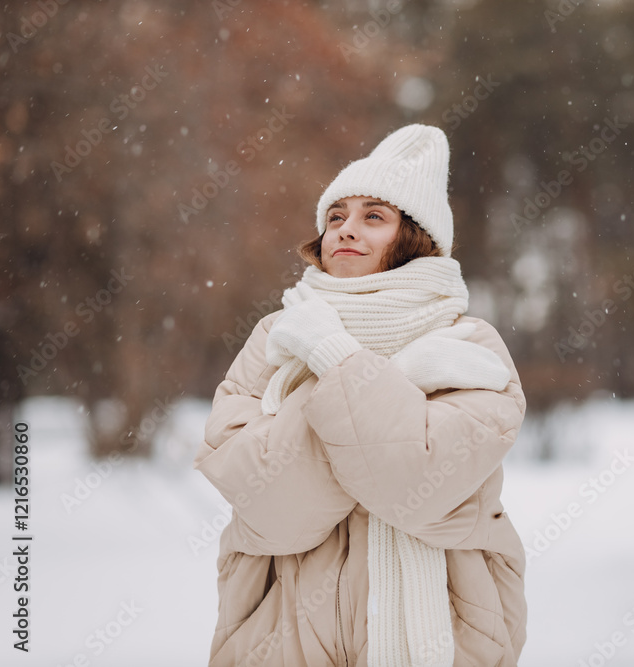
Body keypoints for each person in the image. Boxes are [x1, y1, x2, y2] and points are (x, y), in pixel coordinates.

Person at [193, 124, 527, 666]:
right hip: (281, 635)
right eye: (335, 216)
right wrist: (394, 383)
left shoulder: (471, 344)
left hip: (446, 633)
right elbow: (271, 506)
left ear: (415, 238)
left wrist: (332, 358)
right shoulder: (278, 334)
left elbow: (415, 485)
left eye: (374, 216)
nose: (346, 230)